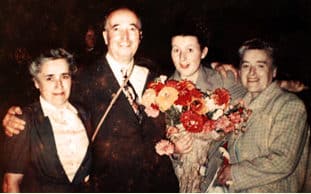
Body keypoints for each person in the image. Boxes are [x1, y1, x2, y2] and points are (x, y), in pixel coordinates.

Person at [2, 7, 179, 192]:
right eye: (116, 29)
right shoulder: (82, 79)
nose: (125, 37)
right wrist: (14, 115)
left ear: (140, 35)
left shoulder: (156, 75)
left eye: (132, 29)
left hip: (161, 184)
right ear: (105, 36)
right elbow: (51, 102)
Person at [216, 38, 311, 192]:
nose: (252, 73)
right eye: (246, 65)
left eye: (260, 66)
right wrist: (215, 65)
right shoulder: (240, 104)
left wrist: (234, 173)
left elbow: (283, 162)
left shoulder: (289, 105)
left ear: (274, 71)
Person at [167, 19, 246, 192]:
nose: (182, 57)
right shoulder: (163, 91)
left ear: (203, 52)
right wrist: (174, 150)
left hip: (216, 179)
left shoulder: (223, 80)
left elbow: (254, 96)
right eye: (176, 50)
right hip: (176, 182)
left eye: (190, 49)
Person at [2, 48, 92, 192]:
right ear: (36, 83)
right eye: (50, 78)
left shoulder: (84, 114)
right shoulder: (24, 120)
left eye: (64, 76)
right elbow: (10, 184)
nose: (59, 85)